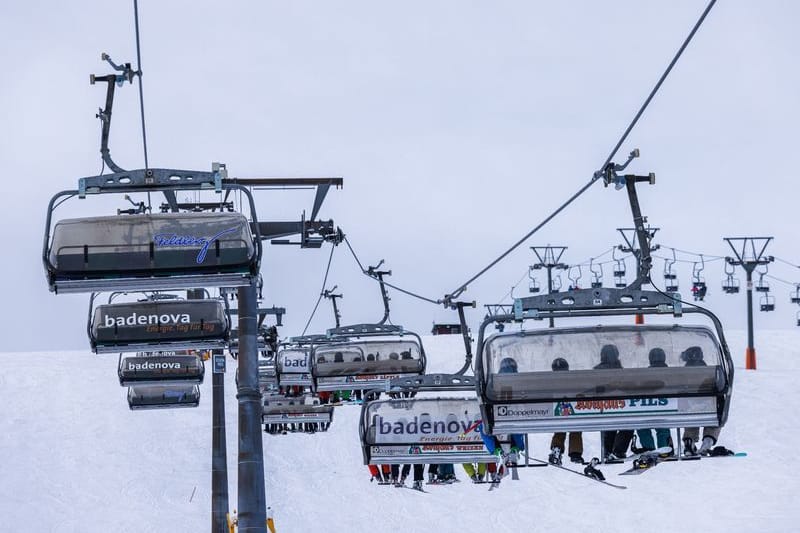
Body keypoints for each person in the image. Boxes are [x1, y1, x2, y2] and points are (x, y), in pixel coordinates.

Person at [595, 344, 634, 462]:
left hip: (603, 405)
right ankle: (618, 450)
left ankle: (608, 450)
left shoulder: (597, 370)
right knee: (628, 424)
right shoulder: (620, 370)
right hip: (620, 404)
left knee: (609, 425)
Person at [680, 346, 720, 456]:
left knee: (691, 415)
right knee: (715, 416)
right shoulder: (707, 369)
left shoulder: (684, 370)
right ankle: (708, 440)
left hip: (690, 405)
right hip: (708, 404)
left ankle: (689, 440)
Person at [634, 348, 673, 454]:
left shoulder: (646, 374)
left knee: (643, 428)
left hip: (649, 405)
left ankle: (649, 448)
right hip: (667, 406)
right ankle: (663, 447)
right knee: (662, 428)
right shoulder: (671, 373)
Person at [549, 357, 584, 464]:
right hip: (572, 409)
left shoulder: (548, 381)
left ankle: (557, 448)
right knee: (576, 428)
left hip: (557, 411)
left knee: (559, 429)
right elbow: (580, 393)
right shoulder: (573, 380)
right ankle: (575, 453)